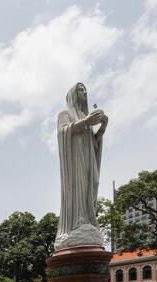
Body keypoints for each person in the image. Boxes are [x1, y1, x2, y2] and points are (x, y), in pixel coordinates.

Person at [54, 82, 108, 250]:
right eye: (80, 89)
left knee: (90, 188)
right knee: (79, 188)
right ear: (72, 93)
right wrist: (86, 121)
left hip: (88, 161)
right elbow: (62, 132)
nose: (84, 92)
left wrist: (102, 127)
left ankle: (87, 220)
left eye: (85, 89)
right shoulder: (65, 113)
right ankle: (77, 222)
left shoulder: (86, 120)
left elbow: (94, 144)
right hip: (75, 163)